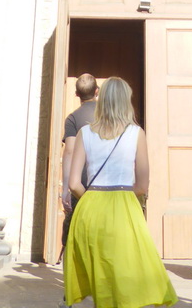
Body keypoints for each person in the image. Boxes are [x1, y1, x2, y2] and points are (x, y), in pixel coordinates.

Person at [64, 76, 176, 308]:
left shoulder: (85, 132)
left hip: (90, 208)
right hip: (123, 207)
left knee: (99, 280)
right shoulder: (136, 133)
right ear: (126, 101)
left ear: (101, 99)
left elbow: (74, 183)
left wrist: (93, 201)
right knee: (126, 277)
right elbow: (143, 185)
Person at [59, 74, 99, 262]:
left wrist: (66, 188)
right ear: (97, 91)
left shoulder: (73, 118)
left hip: (81, 182)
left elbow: (69, 152)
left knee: (77, 227)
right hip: (105, 182)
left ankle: (75, 276)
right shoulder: (108, 115)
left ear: (76, 94)